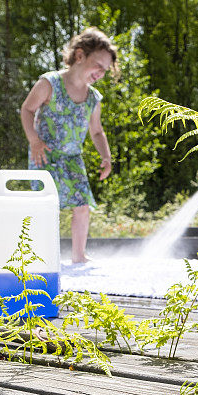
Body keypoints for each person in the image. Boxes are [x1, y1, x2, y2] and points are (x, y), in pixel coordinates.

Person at [20, 28, 118, 264]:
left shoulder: (93, 98)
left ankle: (78, 255)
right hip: (44, 154)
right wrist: (34, 140)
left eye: (105, 70)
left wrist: (106, 156)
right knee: (46, 207)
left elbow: (96, 131)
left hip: (73, 158)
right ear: (80, 55)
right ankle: (43, 255)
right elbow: (27, 109)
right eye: (98, 65)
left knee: (82, 206)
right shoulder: (50, 83)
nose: (101, 73)